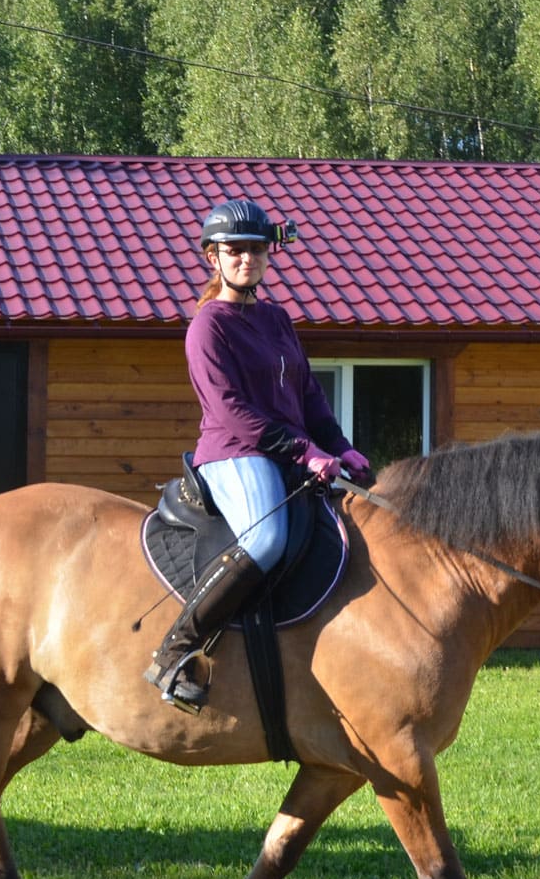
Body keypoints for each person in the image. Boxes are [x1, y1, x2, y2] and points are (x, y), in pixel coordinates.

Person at [144, 198, 372, 712]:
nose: (247, 259)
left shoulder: (277, 318)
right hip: (234, 452)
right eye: (236, 251)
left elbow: (308, 394)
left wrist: (340, 446)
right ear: (213, 258)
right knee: (266, 539)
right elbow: (229, 409)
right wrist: (303, 450)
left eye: (256, 250)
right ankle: (175, 649)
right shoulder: (208, 326)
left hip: (291, 453)